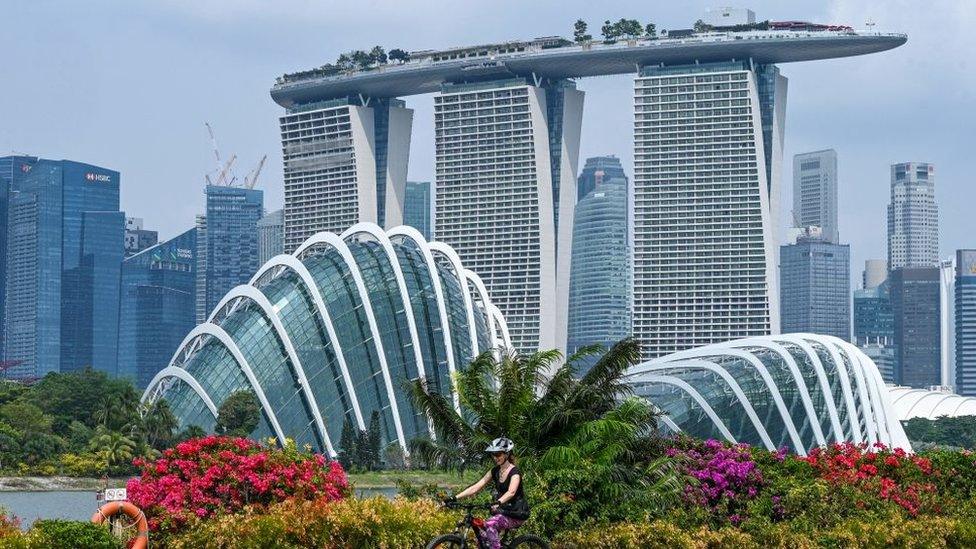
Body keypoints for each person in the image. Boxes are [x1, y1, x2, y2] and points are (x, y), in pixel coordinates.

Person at [446, 437, 530, 549]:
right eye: (493, 454)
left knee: (490, 524)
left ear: (507, 454)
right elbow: (476, 487)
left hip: (517, 513)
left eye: (498, 454)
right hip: (502, 512)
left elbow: (511, 492)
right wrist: (454, 497)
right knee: (482, 539)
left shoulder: (515, 472)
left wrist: (498, 502)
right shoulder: (495, 471)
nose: (495, 458)